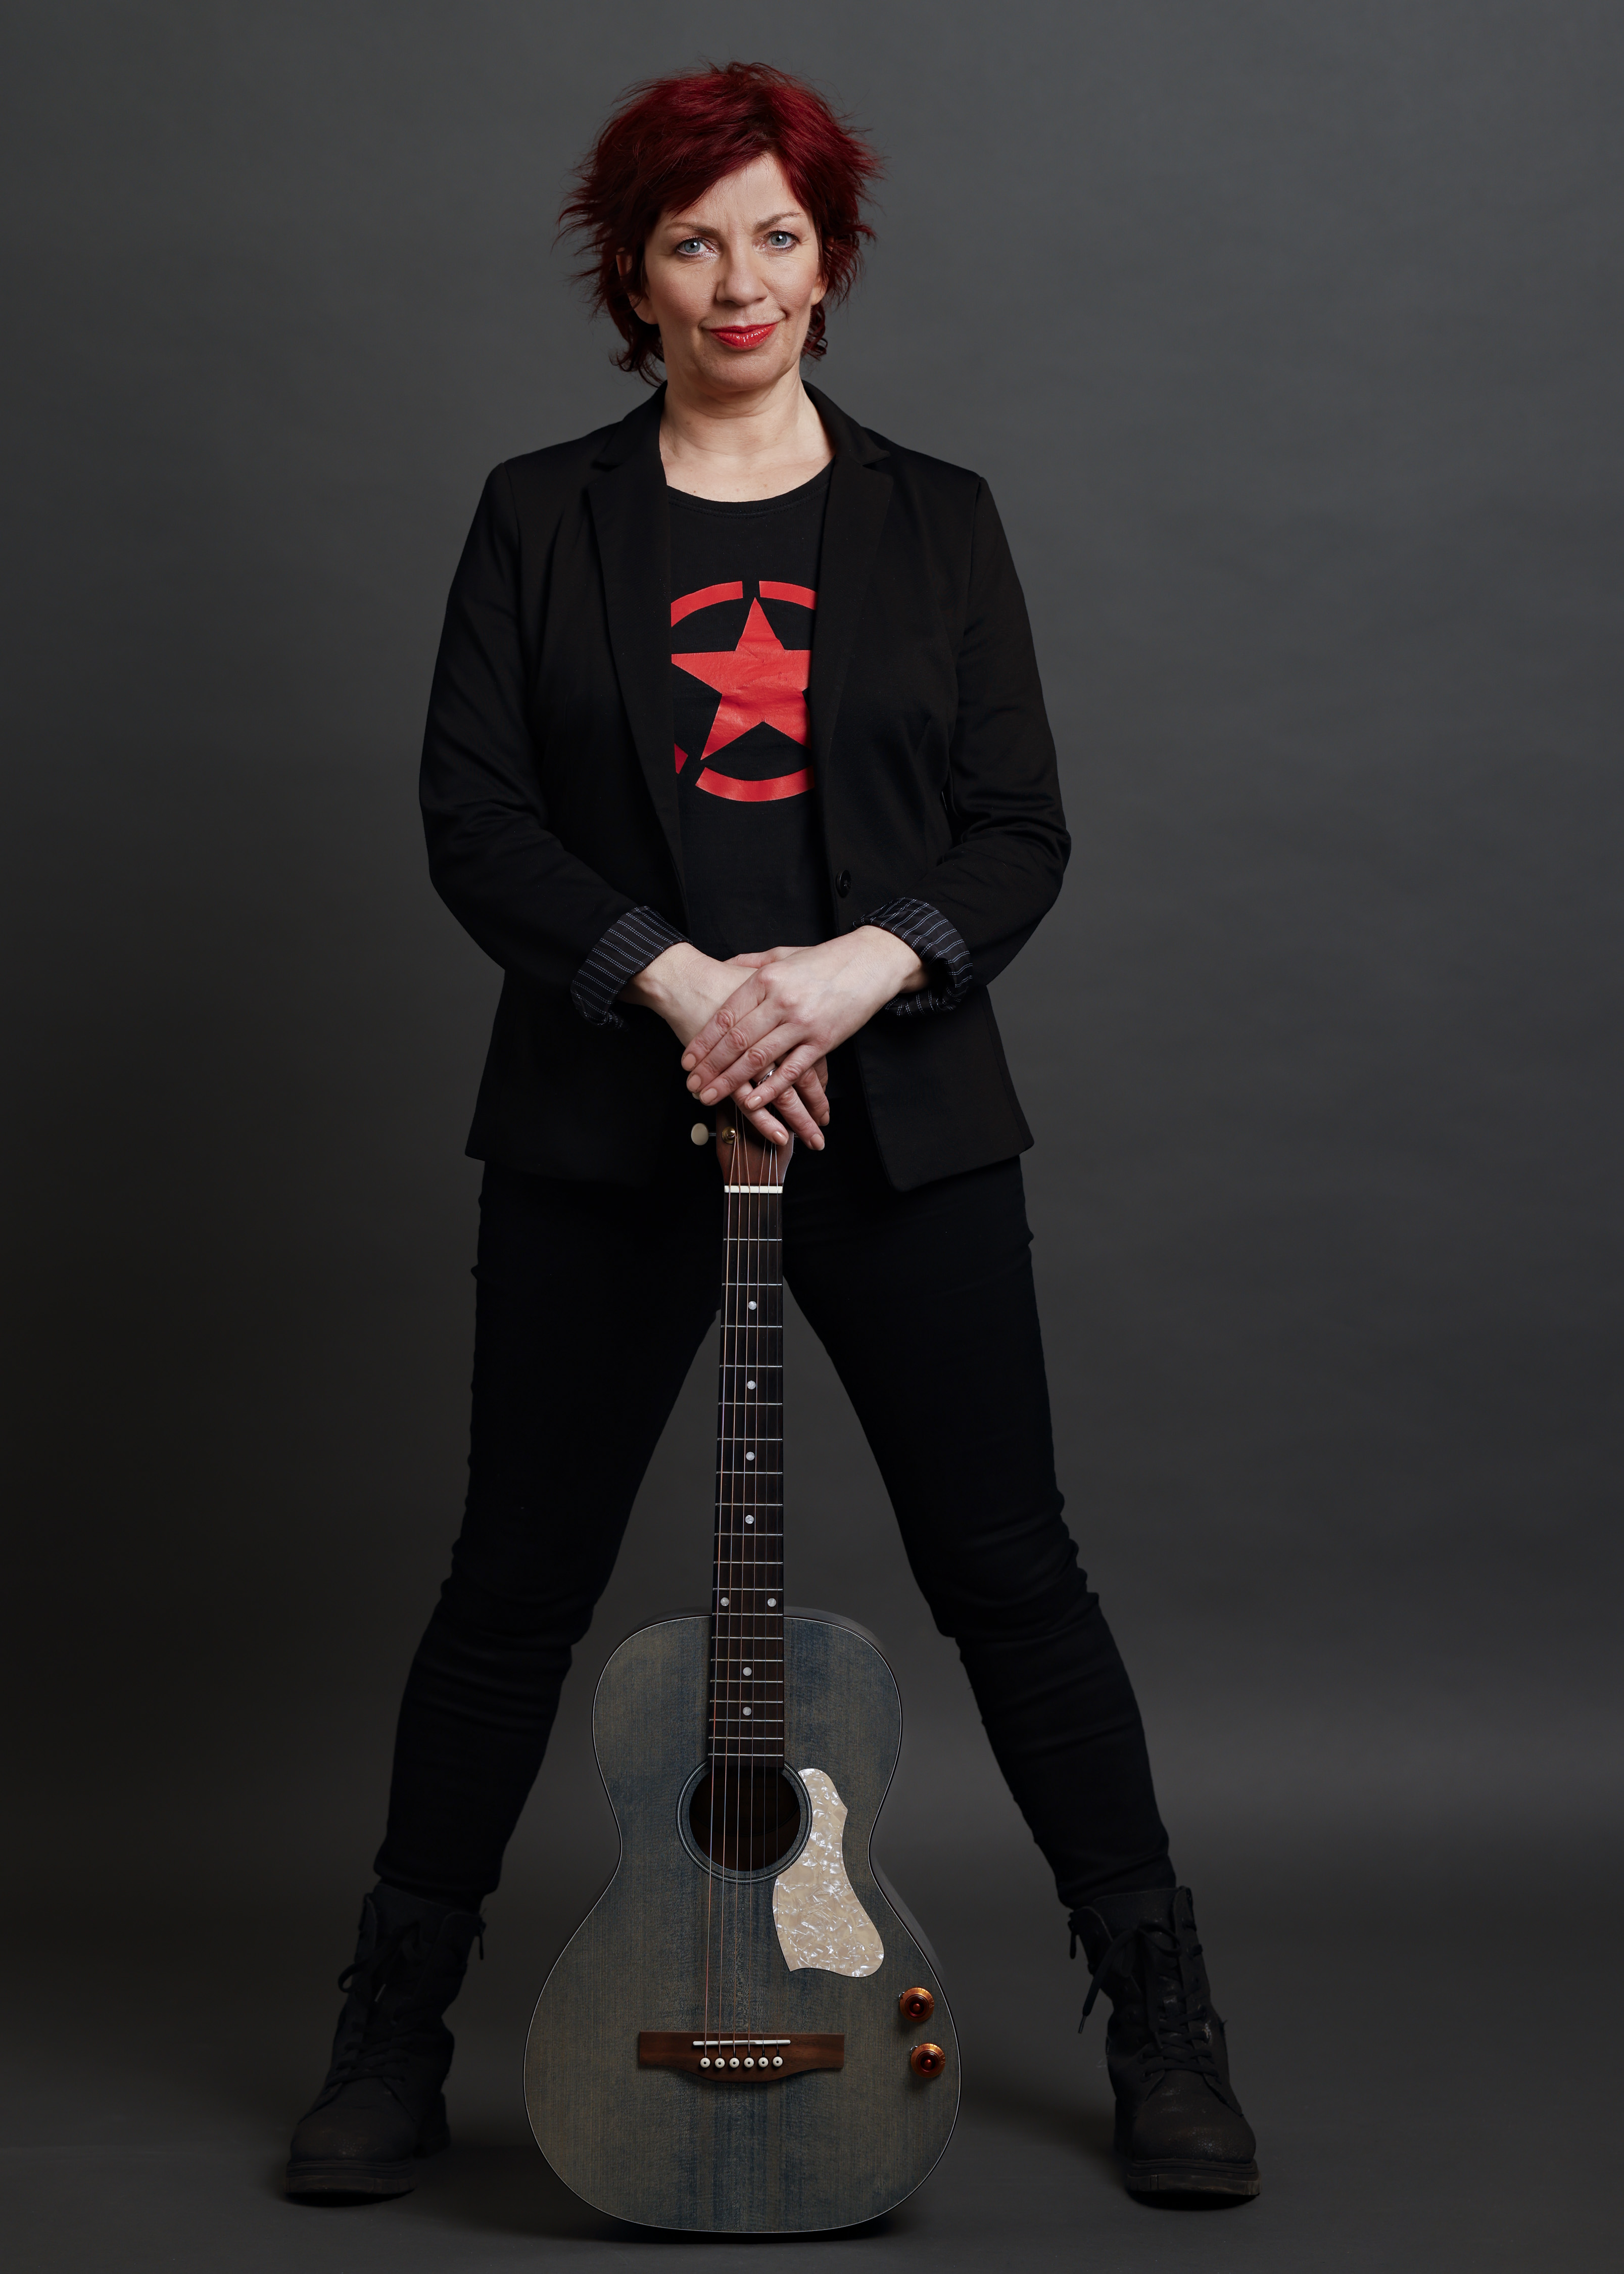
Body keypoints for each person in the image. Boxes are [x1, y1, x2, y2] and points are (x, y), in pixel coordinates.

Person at [285, 61, 1259, 2211]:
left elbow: (1018, 832)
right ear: (632, 278)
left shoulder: (941, 519)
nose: (742, 279)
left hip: (896, 1120)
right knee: (513, 1588)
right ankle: (389, 2033)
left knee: (1012, 1575)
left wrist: (843, 979)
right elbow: (476, 818)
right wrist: (682, 985)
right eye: (694, 240)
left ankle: (1167, 2021)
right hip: (601, 1129)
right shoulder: (537, 518)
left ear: (831, 264)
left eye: (779, 237)